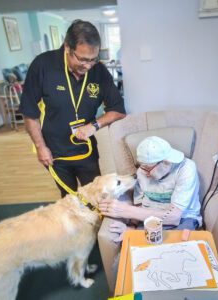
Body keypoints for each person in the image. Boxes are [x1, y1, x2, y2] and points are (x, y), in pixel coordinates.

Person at [19, 20, 126, 197]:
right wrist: (40, 147)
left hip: (87, 151)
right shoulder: (43, 65)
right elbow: (30, 112)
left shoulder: (98, 71)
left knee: (94, 197)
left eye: (93, 59)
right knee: (69, 199)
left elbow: (118, 110)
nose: (88, 66)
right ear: (67, 48)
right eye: (83, 59)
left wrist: (94, 126)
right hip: (54, 153)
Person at [99, 136, 202, 242]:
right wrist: (132, 226)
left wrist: (126, 211)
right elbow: (138, 205)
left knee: (174, 248)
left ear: (166, 163)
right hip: (149, 218)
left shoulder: (186, 168)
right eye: (142, 167)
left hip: (183, 219)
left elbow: (173, 217)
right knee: (138, 247)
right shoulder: (141, 172)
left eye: (148, 168)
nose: (143, 172)